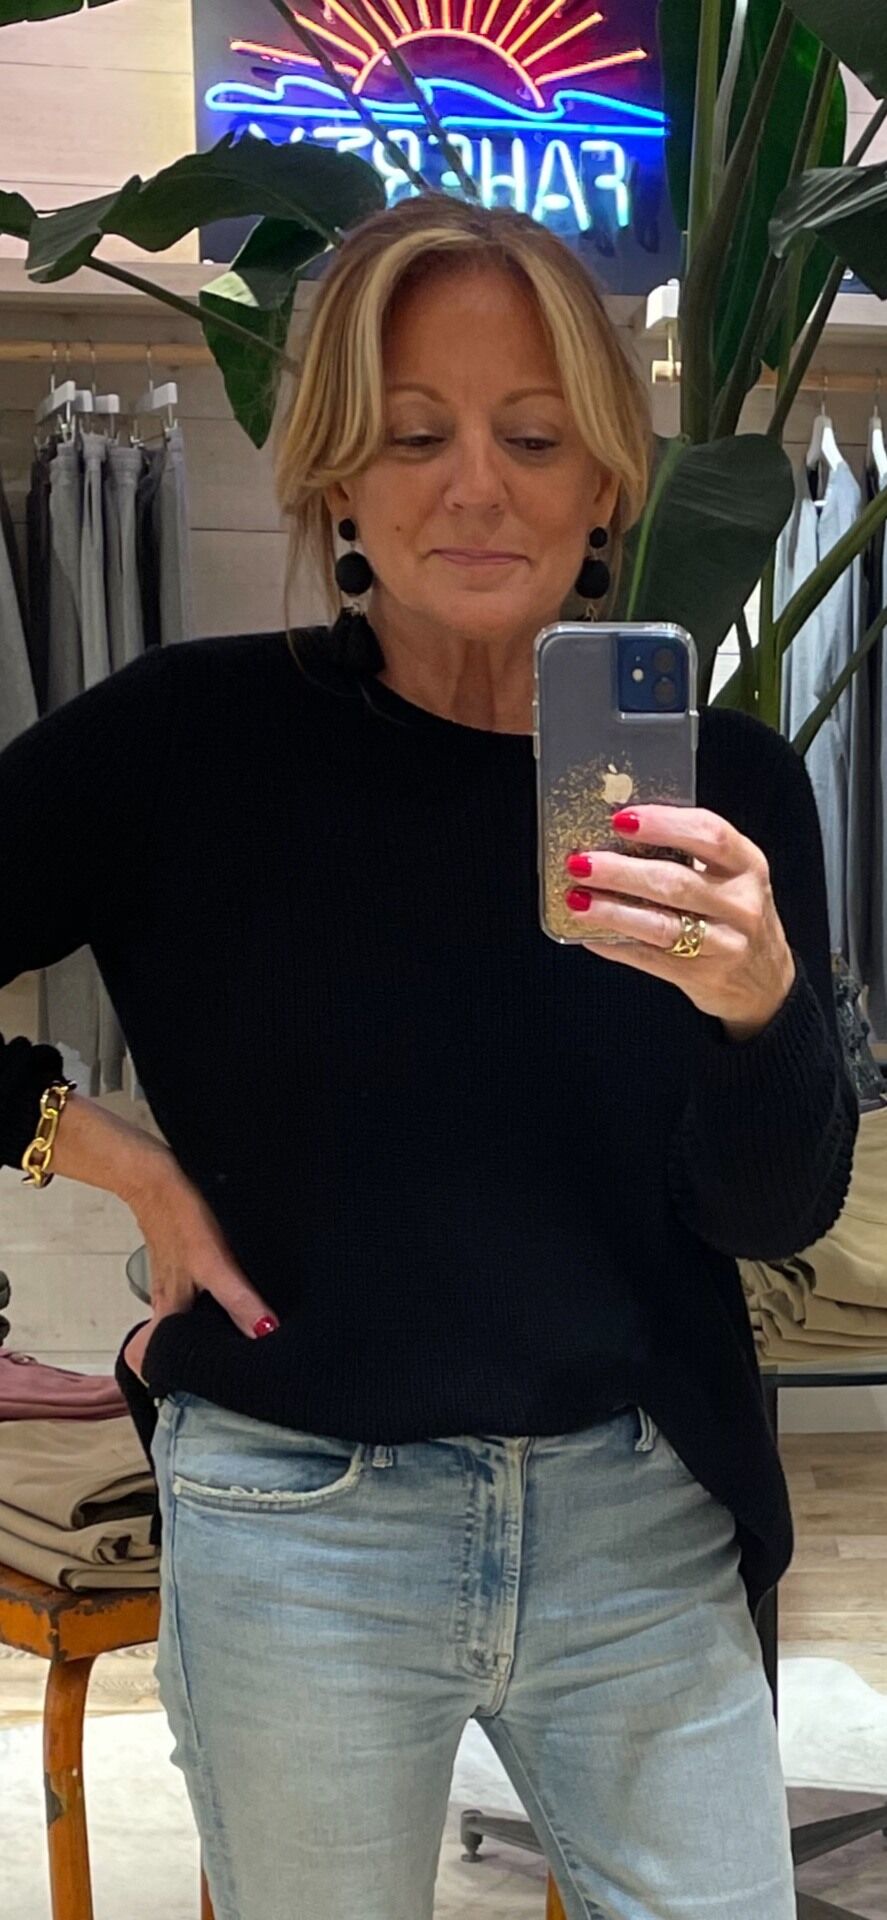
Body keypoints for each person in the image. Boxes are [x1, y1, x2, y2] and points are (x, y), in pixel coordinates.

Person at [0, 195, 857, 1920]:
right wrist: (95, 1148)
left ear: (608, 481)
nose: (477, 486)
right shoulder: (189, 745)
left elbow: (772, 1215)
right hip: (300, 1522)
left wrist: (761, 1008)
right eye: (414, 435)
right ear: (337, 479)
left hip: (642, 1514)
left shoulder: (728, 789)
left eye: (533, 437)